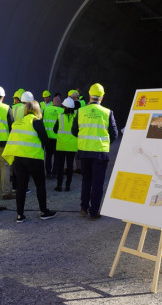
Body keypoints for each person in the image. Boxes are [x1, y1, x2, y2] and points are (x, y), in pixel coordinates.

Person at [2, 100, 56, 222]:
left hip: (19, 159)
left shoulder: (17, 123)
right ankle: (44, 211)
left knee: (21, 187)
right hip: (34, 159)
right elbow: (45, 140)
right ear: (38, 110)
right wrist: (49, 149)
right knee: (40, 185)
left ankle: (20, 215)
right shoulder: (36, 122)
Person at [72, 83, 118, 220]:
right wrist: (103, 142)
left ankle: (83, 208)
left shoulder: (81, 111)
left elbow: (74, 130)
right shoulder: (108, 112)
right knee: (97, 183)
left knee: (86, 180)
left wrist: (85, 138)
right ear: (102, 97)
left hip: (84, 151)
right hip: (100, 153)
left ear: (89, 96)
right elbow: (114, 133)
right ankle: (94, 212)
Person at [53, 97, 77, 191]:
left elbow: (55, 130)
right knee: (70, 166)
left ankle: (59, 186)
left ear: (65, 107)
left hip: (61, 145)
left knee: (60, 166)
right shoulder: (76, 118)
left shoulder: (60, 116)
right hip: (72, 145)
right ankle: (68, 186)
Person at [42, 95, 63, 178]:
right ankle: (55, 172)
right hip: (58, 137)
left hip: (48, 137)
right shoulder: (62, 110)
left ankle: (48, 172)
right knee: (57, 156)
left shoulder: (46, 109)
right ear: (60, 103)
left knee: (48, 156)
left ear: (53, 102)